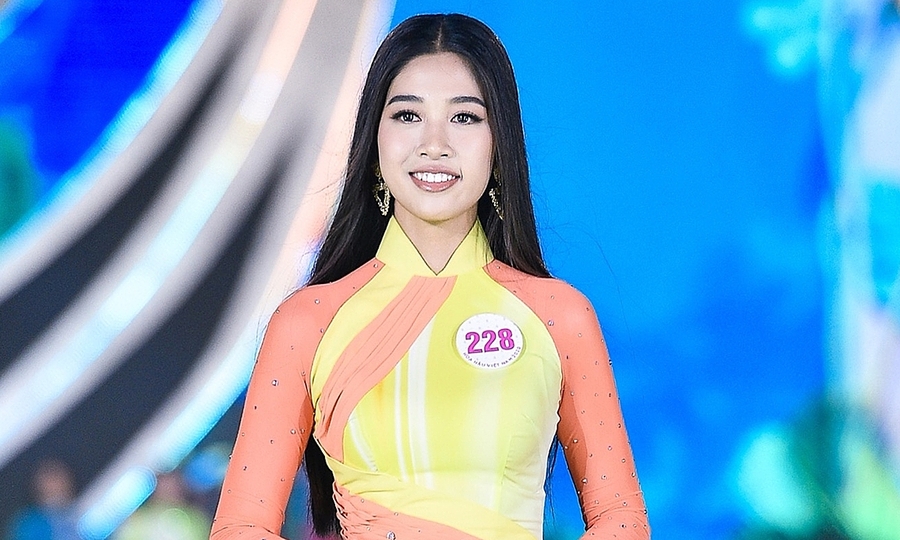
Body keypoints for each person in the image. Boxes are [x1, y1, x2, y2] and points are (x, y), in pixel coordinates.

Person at [210, 13, 649, 540]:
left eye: (464, 117)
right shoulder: (308, 322)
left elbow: (621, 518)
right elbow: (241, 527)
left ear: (500, 144)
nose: (434, 143)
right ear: (373, 141)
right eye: (407, 115)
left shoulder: (559, 317)